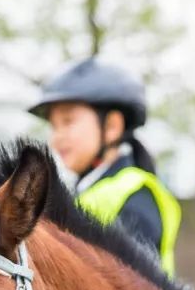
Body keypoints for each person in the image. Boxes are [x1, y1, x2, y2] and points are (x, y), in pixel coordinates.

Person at [29, 57, 181, 275]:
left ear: (111, 126)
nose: (56, 137)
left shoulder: (135, 195)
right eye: (54, 126)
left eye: (68, 121)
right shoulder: (81, 194)